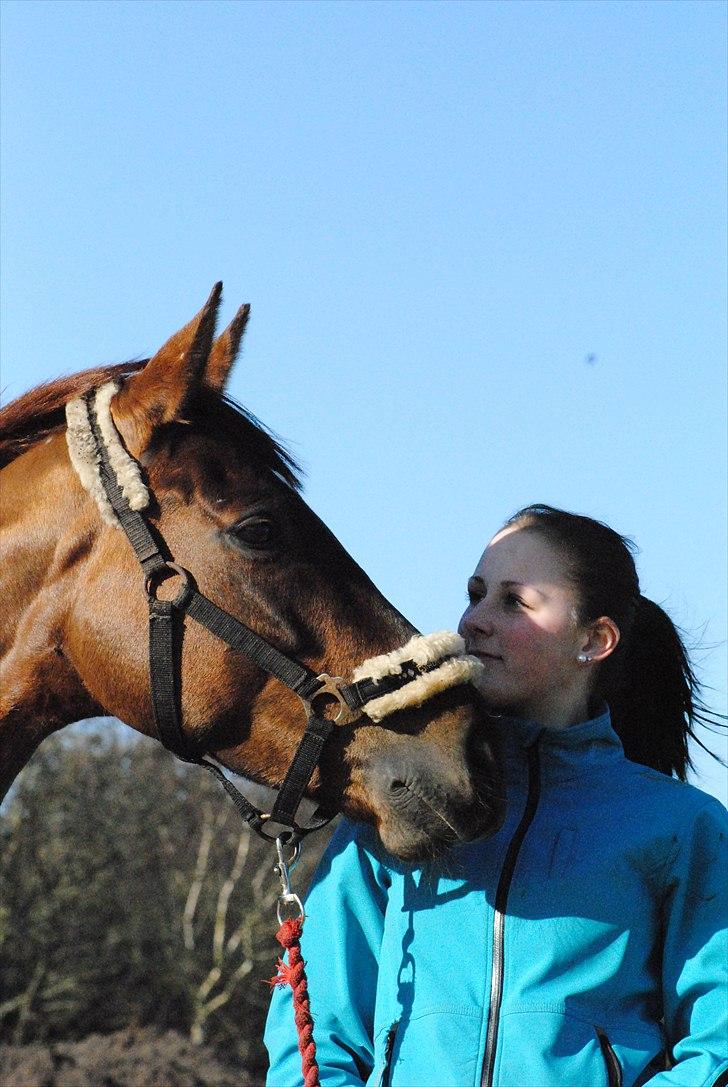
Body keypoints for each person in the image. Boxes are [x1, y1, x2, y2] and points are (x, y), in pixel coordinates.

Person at [264, 505, 727, 1087]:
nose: (474, 620)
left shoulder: (682, 826)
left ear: (594, 639)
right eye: (476, 593)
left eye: (515, 601)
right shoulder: (402, 802)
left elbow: (717, 1046)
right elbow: (316, 1030)